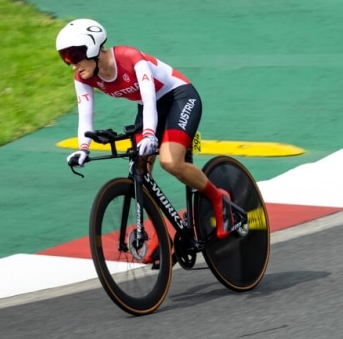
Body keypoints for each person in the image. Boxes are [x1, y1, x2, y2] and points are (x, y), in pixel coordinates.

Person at [56, 18, 233, 258]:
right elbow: (85, 115)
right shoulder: (84, 77)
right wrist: (83, 148)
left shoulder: (130, 58)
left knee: (171, 162)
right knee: (140, 171)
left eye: (74, 56)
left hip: (179, 97)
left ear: (94, 48)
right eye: (65, 58)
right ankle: (162, 235)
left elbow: (150, 97)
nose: (72, 65)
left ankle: (219, 199)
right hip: (148, 108)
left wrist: (150, 134)